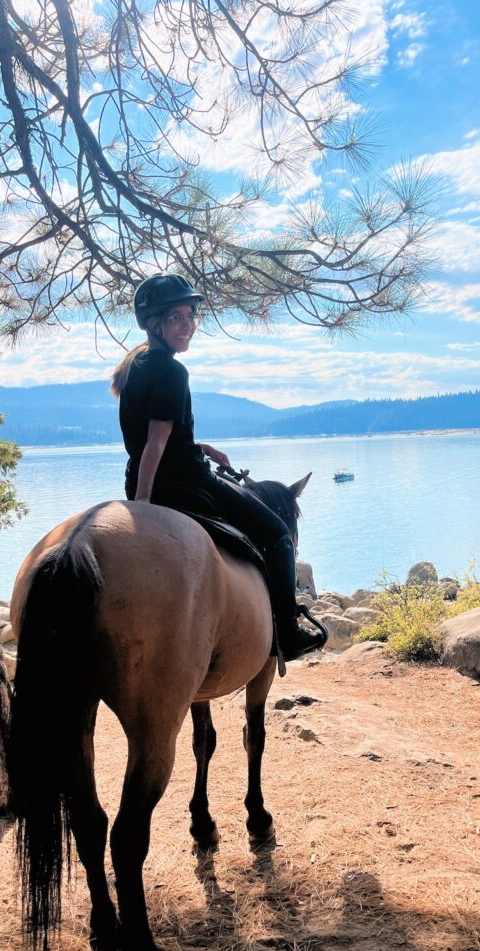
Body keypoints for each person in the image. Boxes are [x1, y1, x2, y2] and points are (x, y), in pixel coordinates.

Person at [110, 272, 326, 662]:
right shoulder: (173, 371)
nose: (187, 325)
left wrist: (201, 447)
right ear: (154, 323)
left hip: (144, 477)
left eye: (190, 316)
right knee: (277, 535)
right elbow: (156, 441)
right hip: (188, 485)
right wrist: (144, 507)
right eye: (175, 318)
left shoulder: (135, 365)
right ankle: (289, 631)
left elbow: (153, 436)